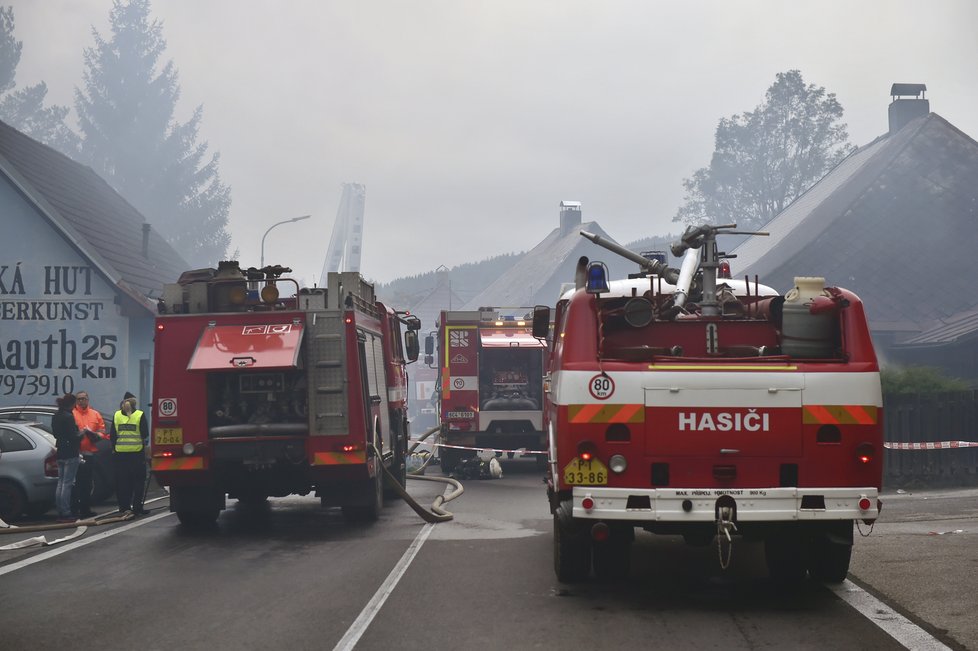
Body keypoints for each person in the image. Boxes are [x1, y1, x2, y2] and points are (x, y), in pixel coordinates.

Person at [108, 391, 149, 516]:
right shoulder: (139, 415)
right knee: (138, 482)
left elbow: (113, 436)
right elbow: (145, 433)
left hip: (121, 455)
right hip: (136, 454)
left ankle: (124, 507)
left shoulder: (116, 416)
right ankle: (137, 507)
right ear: (134, 404)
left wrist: (116, 447)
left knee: (123, 482)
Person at [72, 390, 107, 518]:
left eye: (84, 399)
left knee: (87, 484)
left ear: (88, 400)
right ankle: (74, 510)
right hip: (76, 453)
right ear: (76, 401)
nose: (81, 401)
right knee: (76, 484)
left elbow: (102, 430)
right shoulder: (72, 414)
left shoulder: (95, 414)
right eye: (79, 399)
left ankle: (85, 509)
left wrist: (96, 435)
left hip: (89, 453)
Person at [52, 392, 82, 522]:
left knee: (60, 482)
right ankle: (66, 511)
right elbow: (73, 436)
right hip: (71, 452)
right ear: (72, 404)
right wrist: (83, 433)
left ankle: (60, 509)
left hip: (61, 451)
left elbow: (56, 434)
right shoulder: (69, 417)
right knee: (67, 483)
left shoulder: (56, 416)